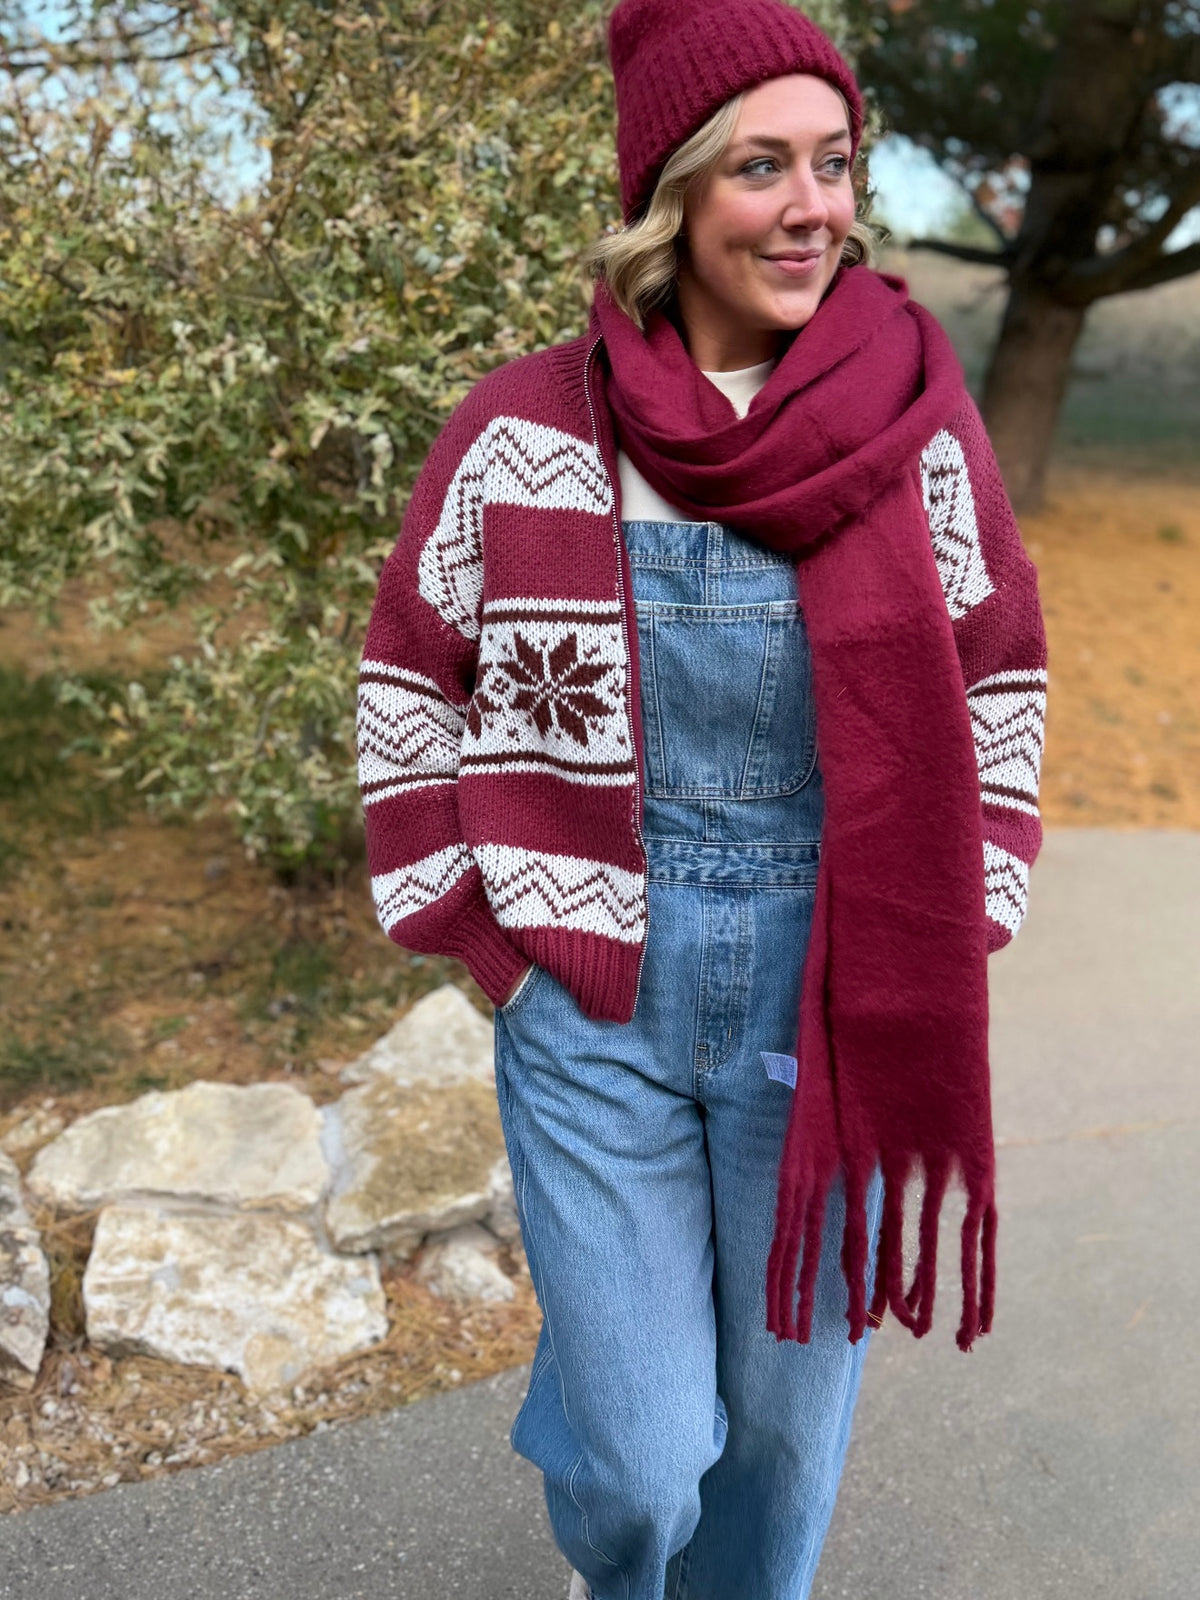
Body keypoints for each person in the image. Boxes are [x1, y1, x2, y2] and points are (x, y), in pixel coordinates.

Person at [354, 2, 1048, 1595]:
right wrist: (484, 939)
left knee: (788, 1439)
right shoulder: (528, 430)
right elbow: (412, 676)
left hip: (838, 988)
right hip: (595, 995)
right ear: (672, 195)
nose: (815, 205)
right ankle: (615, 1435)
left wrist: (973, 898)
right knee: (647, 1458)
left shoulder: (909, 428)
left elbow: (999, 666)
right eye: (762, 166)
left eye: (836, 161)